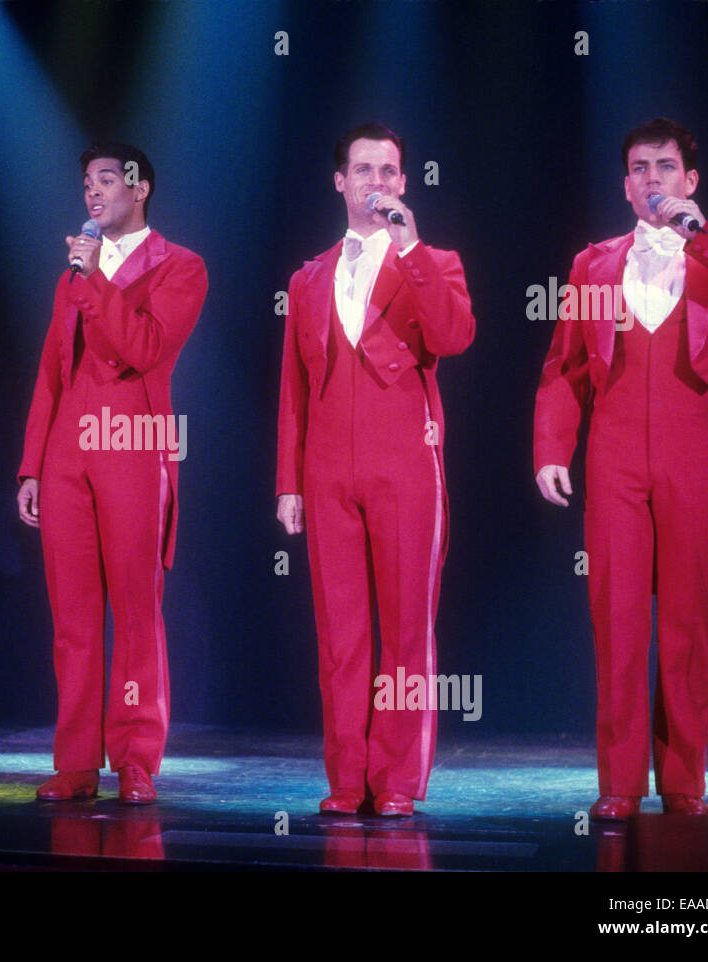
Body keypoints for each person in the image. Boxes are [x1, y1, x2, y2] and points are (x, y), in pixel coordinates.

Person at [533, 118, 708, 819]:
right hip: (613, 456)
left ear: (691, 180)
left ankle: (682, 784)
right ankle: (617, 785)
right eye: (640, 168)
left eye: (666, 167)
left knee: (685, 623)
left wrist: (702, 233)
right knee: (614, 619)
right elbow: (564, 368)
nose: (652, 179)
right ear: (624, 184)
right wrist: (553, 449)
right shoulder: (594, 265)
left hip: (693, 451)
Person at [276, 123, 475, 817]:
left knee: (406, 627)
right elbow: (293, 387)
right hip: (328, 469)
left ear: (404, 182)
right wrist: (289, 484)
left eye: (389, 171)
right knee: (340, 630)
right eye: (363, 170)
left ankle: (397, 780)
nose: (376, 182)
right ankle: (346, 777)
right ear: (340, 181)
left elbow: (453, 335)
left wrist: (410, 248)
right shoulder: (306, 278)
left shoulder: (434, 261)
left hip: (404, 463)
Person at [15, 142, 207, 804]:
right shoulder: (73, 276)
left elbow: (145, 348)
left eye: (106, 179)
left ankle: (135, 757)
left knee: (134, 607)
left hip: (134, 436)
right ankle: (74, 762)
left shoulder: (181, 266)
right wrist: (33, 464)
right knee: (72, 614)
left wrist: (95, 278)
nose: (93, 192)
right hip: (69, 444)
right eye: (86, 183)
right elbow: (51, 369)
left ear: (141, 188)